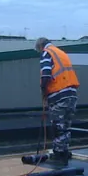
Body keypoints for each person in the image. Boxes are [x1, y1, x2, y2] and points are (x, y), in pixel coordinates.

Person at [35, 37, 80, 167]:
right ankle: (64, 151)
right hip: (71, 94)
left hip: (59, 95)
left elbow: (46, 74)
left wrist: (43, 90)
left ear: (40, 46)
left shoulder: (46, 53)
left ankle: (58, 155)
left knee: (57, 126)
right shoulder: (61, 53)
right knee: (65, 125)